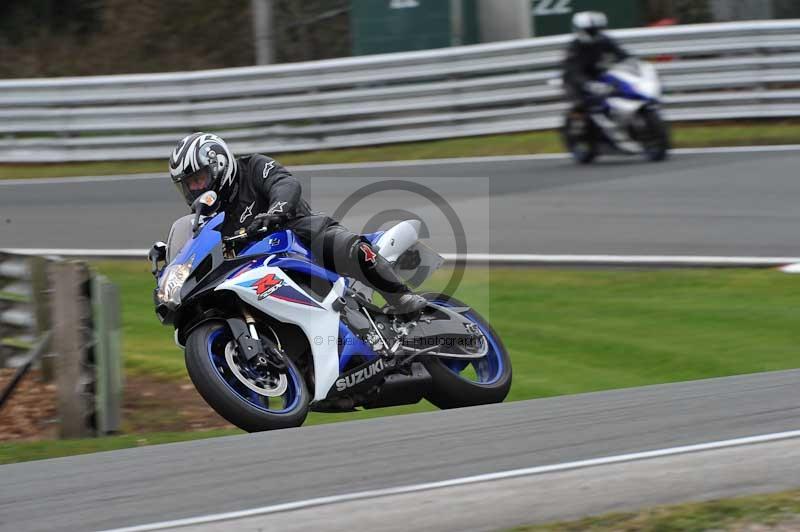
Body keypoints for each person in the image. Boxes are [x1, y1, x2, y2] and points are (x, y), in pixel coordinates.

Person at [167, 132, 428, 314]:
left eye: (199, 179)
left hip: (295, 235)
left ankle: (400, 296)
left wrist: (276, 211)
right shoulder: (208, 219)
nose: (195, 189)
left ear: (219, 164)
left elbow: (285, 183)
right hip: (253, 270)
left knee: (335, 241)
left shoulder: (253, 166)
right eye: (188, 185)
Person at [562, 11, 630, 112]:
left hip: (598, 76)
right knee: (582, 107)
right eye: (592, 31)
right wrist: (588, 84)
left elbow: (622, 55)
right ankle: (577, 122)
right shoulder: (574, 48)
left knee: (621, 90)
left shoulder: (604, 40)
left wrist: (632, 63)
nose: (596, 33)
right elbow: (573, 72)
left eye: (598, 29)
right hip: (577, 82)